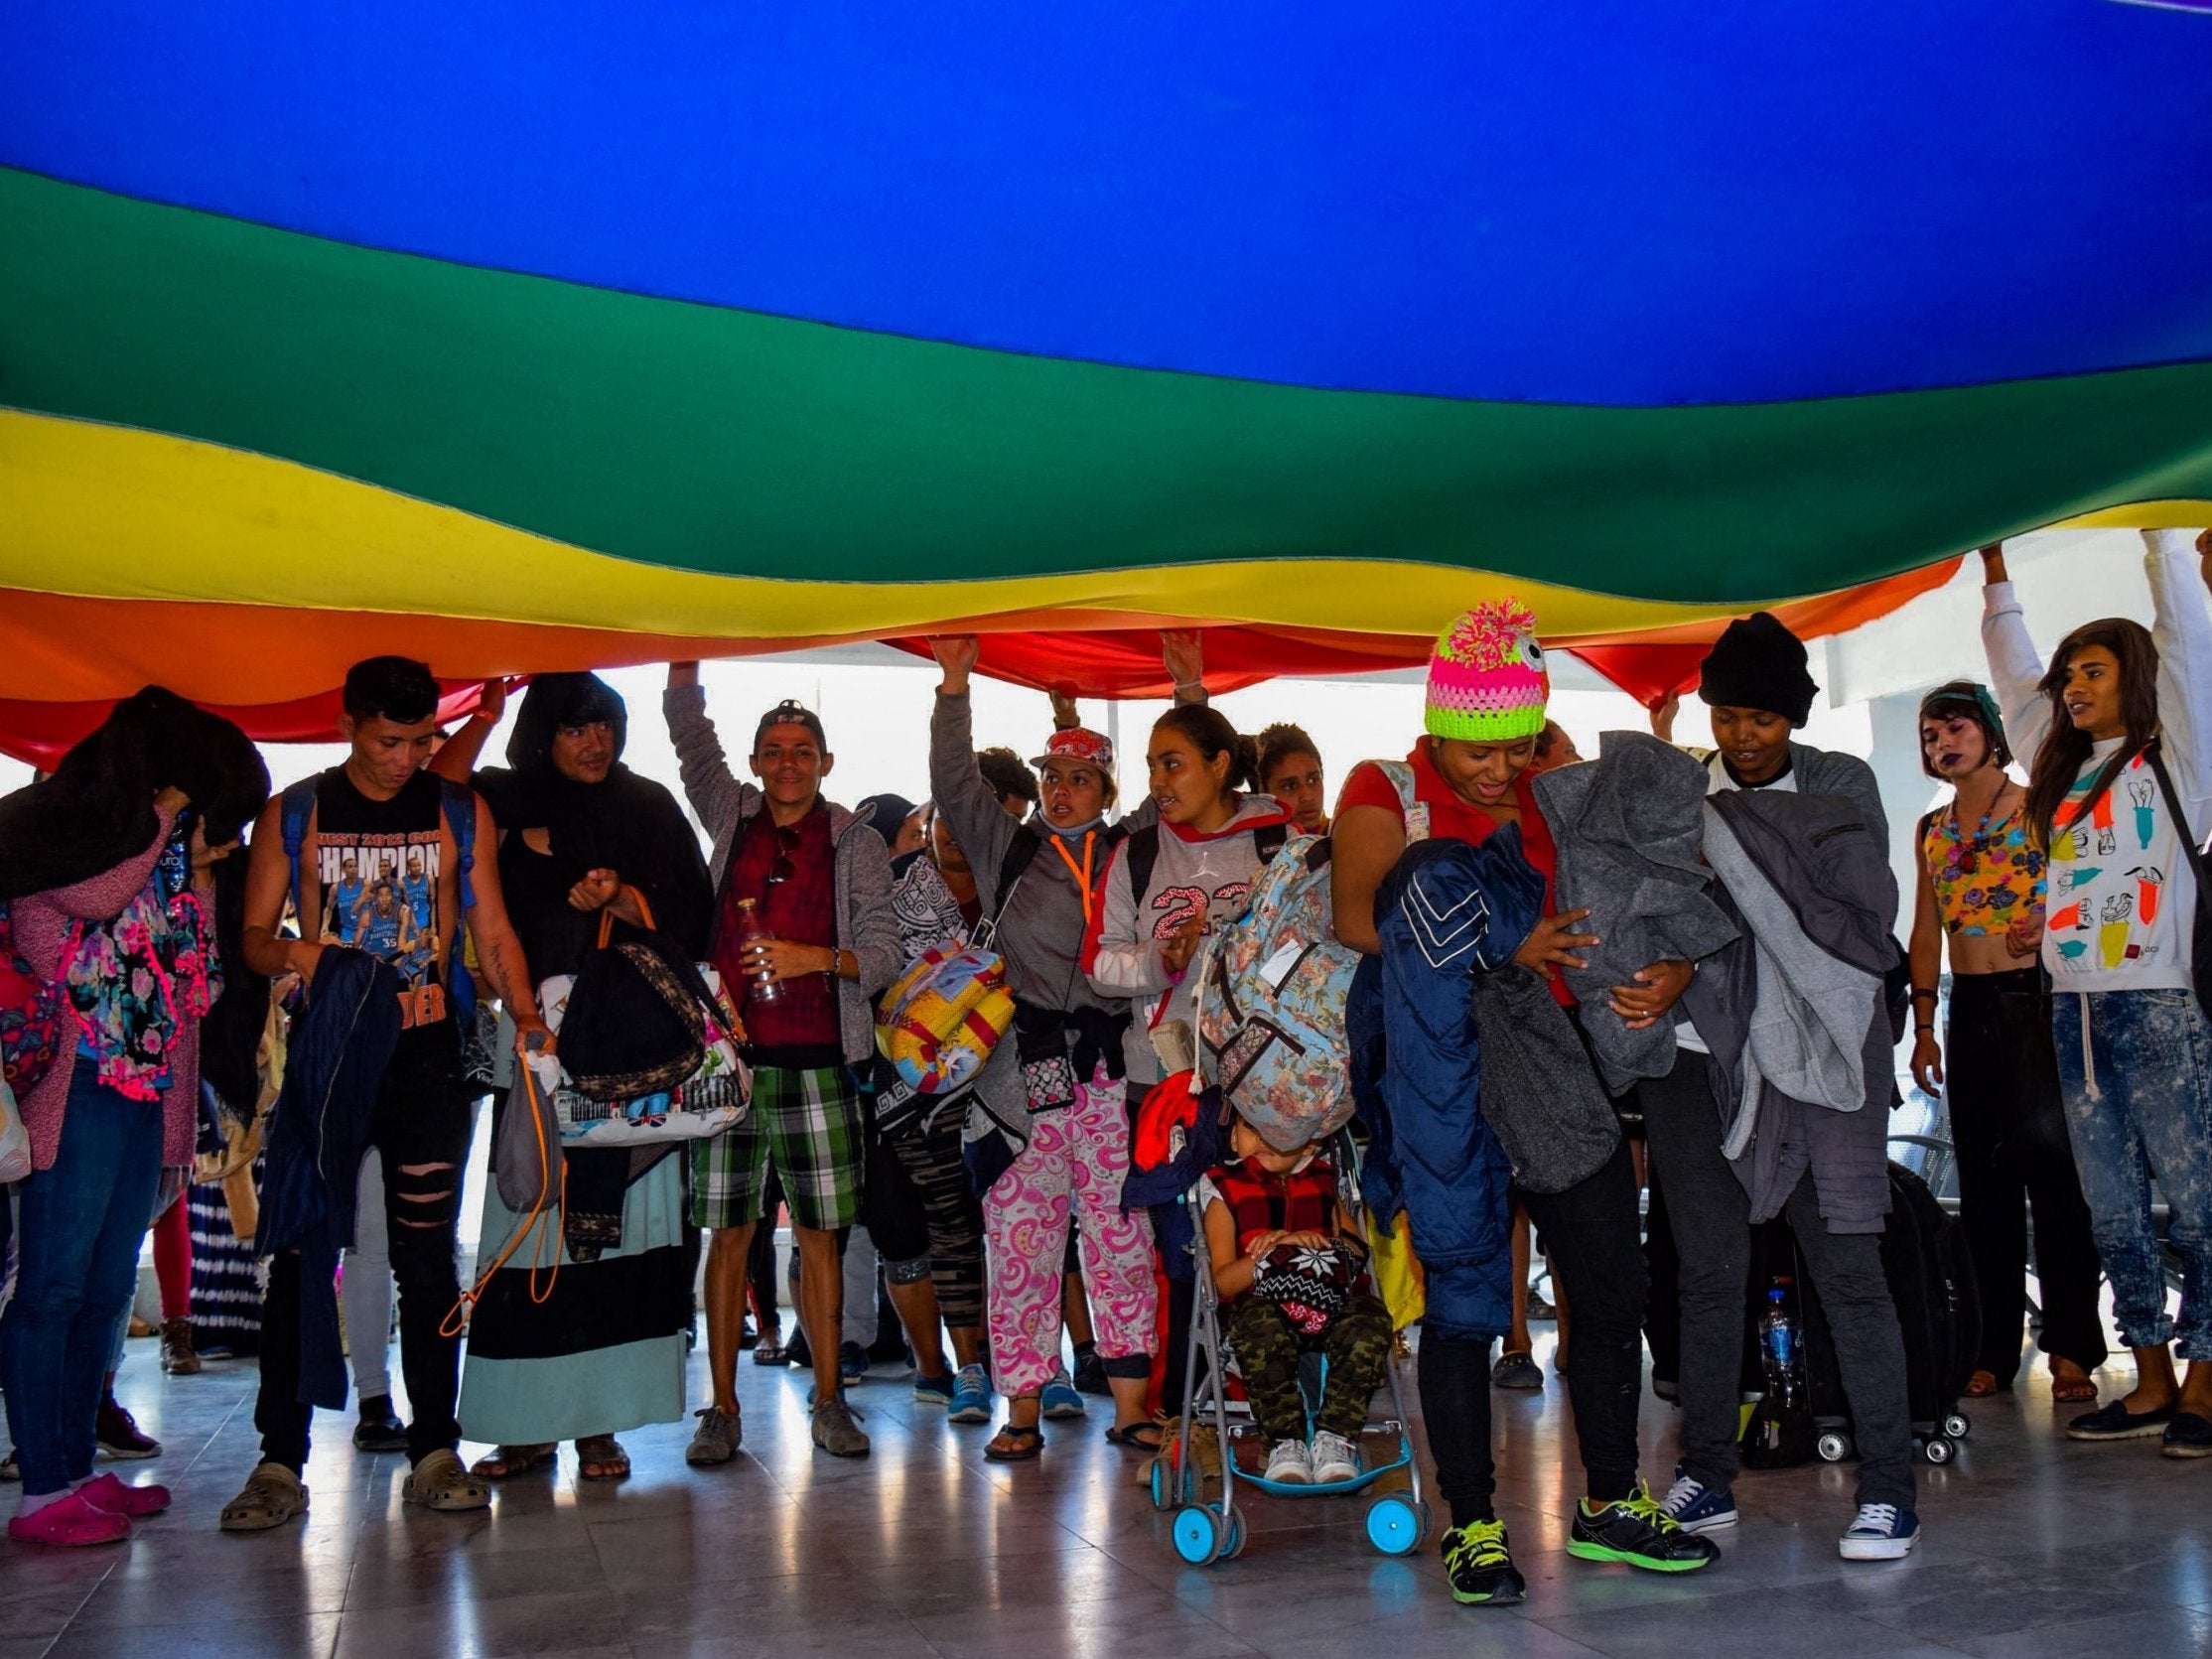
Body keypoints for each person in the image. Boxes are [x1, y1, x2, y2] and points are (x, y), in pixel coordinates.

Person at [1331, 603, 1717, 1605]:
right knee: (1462, 1303)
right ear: (1435, 724)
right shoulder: (1385, 787)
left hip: (1554, 1069)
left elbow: (1620, 903)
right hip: (1437, 1071)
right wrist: (1504, 939)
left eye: (1514, 743)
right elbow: (1362, 916)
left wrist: (1668, 966)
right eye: (1475, 746)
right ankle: (1472, 1527)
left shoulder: (1553, 790)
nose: (1495, 767)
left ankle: (1610, 1505)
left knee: (1607, 1285)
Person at [221, 656, 549, 1531]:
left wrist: (528, 1017)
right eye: (389, 740)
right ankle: (277, 1461)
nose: (406, 757)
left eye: (421, 740)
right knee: (298, 1254)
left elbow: (493, 925)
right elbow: (252, 938)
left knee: (425, 1256)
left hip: (427, 1054)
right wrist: (304, 957)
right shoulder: (293, 812)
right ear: (349, 724)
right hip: (327, 1056)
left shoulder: (456, 810)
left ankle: (434, 1447)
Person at [1643, 612, 1923, 1560]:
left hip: (1817, 1063)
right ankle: (1706, 1477)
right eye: (1727, 716)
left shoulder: (1841, 783)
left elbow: (1850, 920)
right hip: (1693, 1062)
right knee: (1708, 1277)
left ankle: (1889, 1491)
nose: (1743, 737)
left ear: (1794, 717)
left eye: (1762, 718)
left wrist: (1707, 953)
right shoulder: (1677, 795)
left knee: (1849, 1272)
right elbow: (1646, 914)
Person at [0, 687, 268, 1545]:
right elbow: (64, 919)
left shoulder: (169, 873)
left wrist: (190, 869)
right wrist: (160, 827)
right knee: (52, 1287)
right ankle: (42, 1488)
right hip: (74, 1086)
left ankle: (76, 1467)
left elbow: (197, 989)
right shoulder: (61, 844)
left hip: (139, 1094)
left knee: (106, 1290)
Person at [442, 673, 716, 1482]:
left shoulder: (652, 805)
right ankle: (524, 1426)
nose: (596, 742)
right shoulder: (499, 797)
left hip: (638, 1055)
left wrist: (625, 897)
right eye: (576, 727)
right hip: (534, 1041)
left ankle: (601, 1425)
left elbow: (696, 914)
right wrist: (483, 712)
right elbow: (432, 804)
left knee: (630, 1230)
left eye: (607, 725)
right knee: (527, 1220)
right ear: (542, 734)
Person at [1983, 531, 2212, 1455]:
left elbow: (2189, 648)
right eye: (2069, 674)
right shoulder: (2057, 771)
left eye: (2093, 670)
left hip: (2162, 1003)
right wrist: (1994, 575)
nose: (2072, 686)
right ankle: (2148, 1377)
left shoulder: (2182, 761)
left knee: (2197, 1202)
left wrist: (2163, 541)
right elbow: (2014, 681)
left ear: (2134, 677)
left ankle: (2206, 1381)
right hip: (2073, 1008)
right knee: (2111, 1203)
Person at [928, 635, 1164, 1460]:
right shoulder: (1010, 846)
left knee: (1120, 1238)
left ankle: (1132, 1405)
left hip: (1113, 1076)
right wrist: (954, 685)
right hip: (1021, 1082)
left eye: (1079, 779)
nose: (1061, 792)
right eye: (1052, 778)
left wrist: (1194, 684)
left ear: (1107, 786)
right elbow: (955, 784)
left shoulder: (1136, 844)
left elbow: (1184, 778)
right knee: (1022, 1245)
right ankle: (1020, 1409)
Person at [663, 664, 901, 1461]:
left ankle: (831, 1400)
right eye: (773, 749)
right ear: (757, 762)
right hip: (727, 1065)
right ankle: (722, 1408)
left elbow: (885, 954)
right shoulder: (730, 815)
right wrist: (682, 664)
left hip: (821, 1063)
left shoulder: (855, 842)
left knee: (821, 1238)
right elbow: (691, 743)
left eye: (803, 749)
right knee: (727, 1235)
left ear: (827, 762)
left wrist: (813, 958)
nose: (788, 761)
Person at [1905, 675, 2106, 1403]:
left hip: (2039, 996)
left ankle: (2074, 1347)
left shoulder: (2037, 807)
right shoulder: (1931, 828)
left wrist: (2047, 927)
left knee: (2057, 1176)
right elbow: (1927, 929)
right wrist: (1924, 1024)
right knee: (1983, 1184)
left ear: (1990, 730)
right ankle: (1992, 1346)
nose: (1942, 743)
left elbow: (2081, 892)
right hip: (1969, 1003)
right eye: (1931, 734)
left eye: (1955, 727)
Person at [1086, 703, 1290, 1416]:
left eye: (1171, 762)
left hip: (1264, 1087)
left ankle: (1277, 1409)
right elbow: (1098, 964)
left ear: (1220, 765)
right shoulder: (1136, 852)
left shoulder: (1279, 841)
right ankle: (1181, 1416)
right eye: (1150, 765)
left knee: (1265, 1244)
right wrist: (1159, 959)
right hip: (1164, 1086)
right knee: (1180, 1255)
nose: (1157, 779)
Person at [1200, 1114, 1392, 1484]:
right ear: (1234, 1141)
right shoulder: (1225, 1189)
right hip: (1261, 1304)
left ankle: (1335, 1437)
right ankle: (1284, 1440)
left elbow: (1356, 1250)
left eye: (1275, 1129)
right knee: (1260, 1329)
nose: (1261, 1139)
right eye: (1250, 1129)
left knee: (1370, 1319)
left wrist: (1314, 1240)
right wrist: (1272, 1251)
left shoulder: (1322, 1180)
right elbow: (1222, 1282)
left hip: (1329, 1299)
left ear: (1308, 1143)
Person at [1256, 724, 1329, 835]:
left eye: (1313, 780)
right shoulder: (1247, 847)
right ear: (1265, 794)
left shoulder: (1348, 836)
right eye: (1289, 786)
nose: (1307, 797)